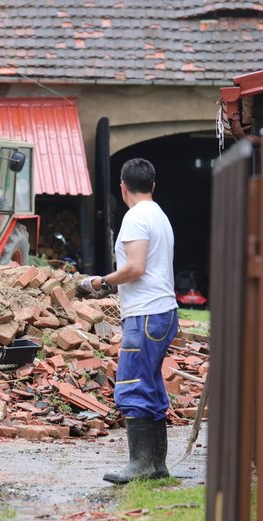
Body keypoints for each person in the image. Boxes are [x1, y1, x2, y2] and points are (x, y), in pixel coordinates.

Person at [79, 158, 178, 484]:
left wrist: (100, 282)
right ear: (153, 185)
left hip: (145, 314)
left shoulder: (136, 217)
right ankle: (156, 465)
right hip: (162, 311)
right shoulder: (160, 215)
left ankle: (139, 465)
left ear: (123, 187)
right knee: (149, 383)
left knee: (133, 384)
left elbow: (135, 267)